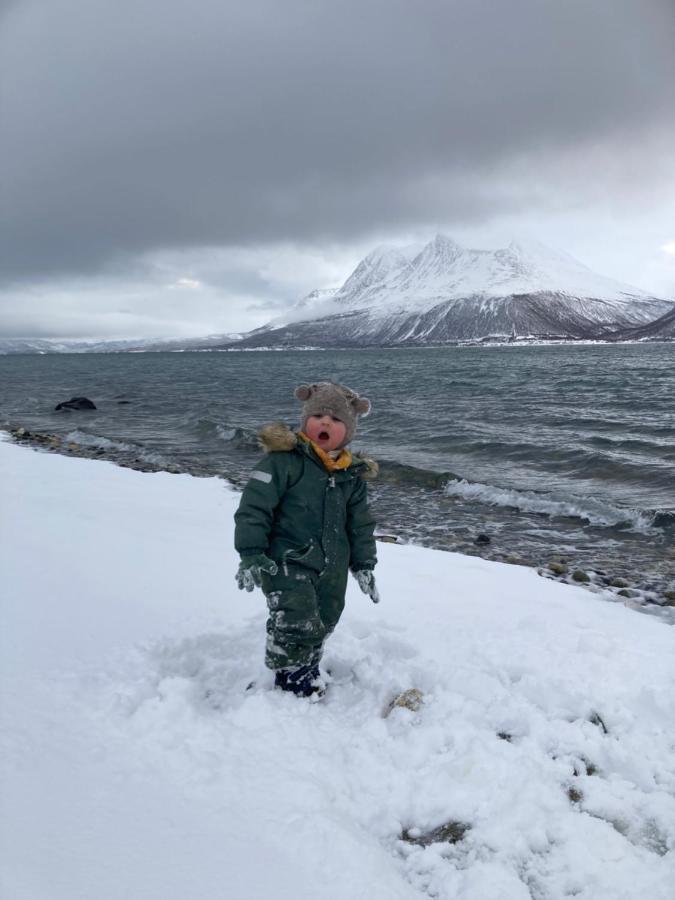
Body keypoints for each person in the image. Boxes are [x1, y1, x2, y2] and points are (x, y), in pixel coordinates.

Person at [234, 382, 379, 697]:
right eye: (319, 416)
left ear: (349, 430)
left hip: (333, 564)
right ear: (306, 421)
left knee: (325, 616)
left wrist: (364, 563)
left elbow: (360, 523)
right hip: (286, 559)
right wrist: (251, 552)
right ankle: (292, 680)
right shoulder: (283, 462)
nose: (326, 422)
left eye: (337, 419)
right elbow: (254, 508)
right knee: (295, 615)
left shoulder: (350, 475)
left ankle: (308, 664)